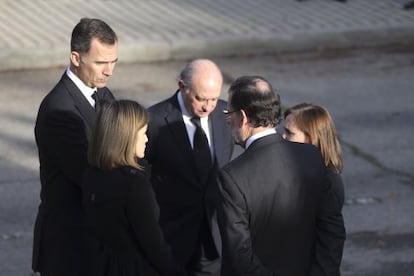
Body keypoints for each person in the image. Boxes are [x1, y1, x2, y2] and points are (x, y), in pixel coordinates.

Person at [216, 75, 346, 275]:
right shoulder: (311, 155)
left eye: (229, 112)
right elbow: (332, 230)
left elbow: (240, 254)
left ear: (242, 117)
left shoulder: (232, 177)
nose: (227, 120)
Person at [32, 18, 118, 276]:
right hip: (71, 250)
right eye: (101, 62)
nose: (109, 71)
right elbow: (93, 174)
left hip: (96, 245)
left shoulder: (101, 93)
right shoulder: (59, 111)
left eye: (114, 62)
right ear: (76, 58)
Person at [144, 59, 235, 275]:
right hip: (171, 239)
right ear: (182, 87)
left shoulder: (224, 115)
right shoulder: (153, 120)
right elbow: (142, 180)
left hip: (213, 243)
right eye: (201, 99)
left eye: (214, 99)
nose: (208, 106)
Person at [82, 100, 186, 276]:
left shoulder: (92, 175)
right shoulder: (134, 184)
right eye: (144, 133)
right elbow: (153, 243)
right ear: (127, 137)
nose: (147, 139)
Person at [283, 102, 346, 274]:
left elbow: (331, 242)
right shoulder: (301, 170)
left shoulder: (327, 182)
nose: (283, 137)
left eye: (289, 133)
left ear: (311, 138)